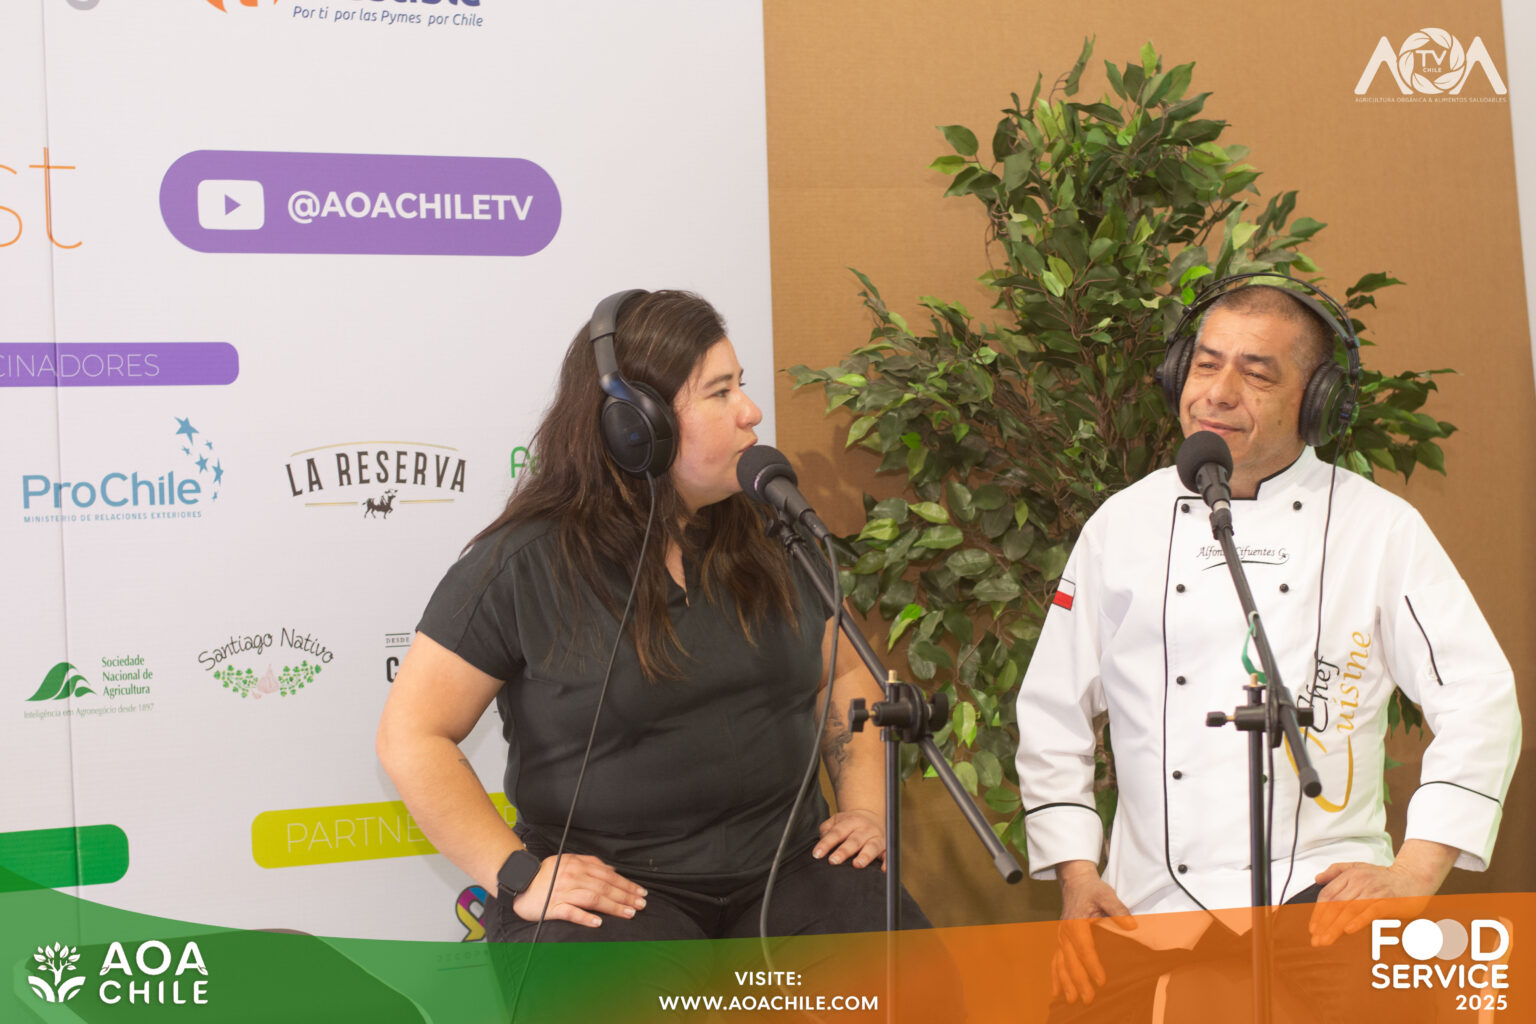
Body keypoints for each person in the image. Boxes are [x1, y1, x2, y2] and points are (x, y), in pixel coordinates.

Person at [1013, 283, 1520, 1017]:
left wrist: (1415, 871)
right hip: (1146, 899)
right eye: (1205, 364)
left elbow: (1479, 699)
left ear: (1316, 402)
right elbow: (1052, 708)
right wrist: (1077, 874)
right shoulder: (1121, 525)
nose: (1217, 393)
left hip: (1321, 892)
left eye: (1256, 374)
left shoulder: (1379, 527)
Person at [376, 289, 927, 953]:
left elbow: (846, 675)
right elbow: (413, 734)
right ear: (636, 426)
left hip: (787, 873)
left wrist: (865, 809)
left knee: (904, 977)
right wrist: (518, 873)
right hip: (614, 895)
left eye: (741, 385)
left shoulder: (772, 534)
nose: (751, 411)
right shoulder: (522, 565)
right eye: (721, 392)